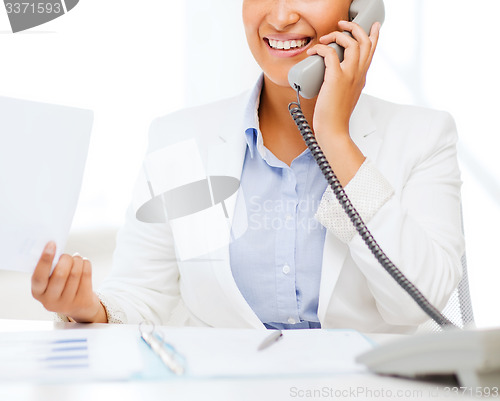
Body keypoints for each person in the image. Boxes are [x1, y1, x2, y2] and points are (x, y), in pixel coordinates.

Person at [31, 0, 464, 333]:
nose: (278, 17)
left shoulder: (423, 137)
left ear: (360, 11)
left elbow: (417, 301)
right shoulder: (177, 139)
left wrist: (334, 138)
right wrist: (87, 309)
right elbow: (141, 295)